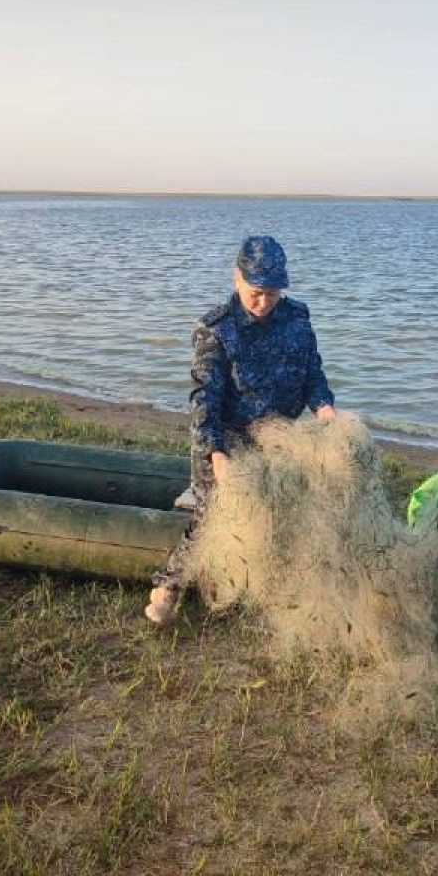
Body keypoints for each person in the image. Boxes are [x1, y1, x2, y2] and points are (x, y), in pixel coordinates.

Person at [145, 235, 336, 624]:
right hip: (224, 434)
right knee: (210, 512)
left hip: (278, 434)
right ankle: (169, 586)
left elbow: (313, 374)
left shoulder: (297, 319)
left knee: (287, 504)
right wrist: (216, 454)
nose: (263, 302)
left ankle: (272, 585)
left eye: (272, 293)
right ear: (237, 278)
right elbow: (204, 399)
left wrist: (325, 409)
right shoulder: (216, 328)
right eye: (255, 292)